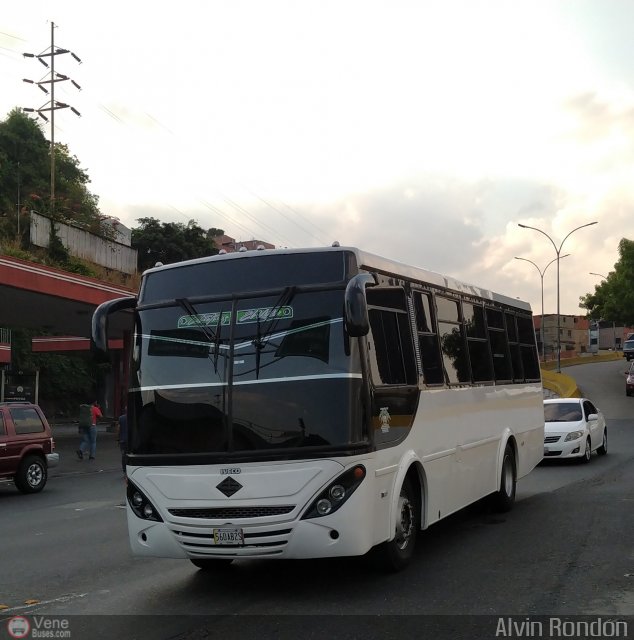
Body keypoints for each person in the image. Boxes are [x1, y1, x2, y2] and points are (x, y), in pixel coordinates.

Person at [118, 409, 128, 474]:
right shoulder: (134, 418)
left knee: (123, 455)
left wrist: (118, 438)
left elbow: (118, 429)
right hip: (131, 440)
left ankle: (124, 470)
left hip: (123, 440)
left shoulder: (121, 418)